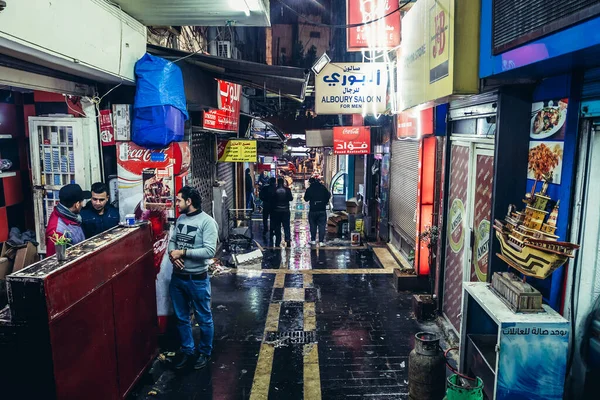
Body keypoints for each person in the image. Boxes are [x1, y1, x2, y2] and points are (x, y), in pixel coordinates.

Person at [168, 186, 218, 371]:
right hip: (178, 278)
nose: (177, 203)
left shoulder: (207, 222)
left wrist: (183, 252)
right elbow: (172, 240)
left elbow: (209, 251)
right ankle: (188, 350)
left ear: (189, 202)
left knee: (204, 318)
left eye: (179, 199)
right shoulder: (181, 218)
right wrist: (172, 255)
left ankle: (205, 352)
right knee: (181, 318)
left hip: (197, 279)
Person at [45, 184, 91, 256]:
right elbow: (56, 261)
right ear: (77, 204)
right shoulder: (57, 232)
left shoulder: (71, 216)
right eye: (82, 202)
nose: (83, 205)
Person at [304, 177, 331, 246]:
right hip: (322, 209)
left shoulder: (309, 189)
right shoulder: (323, 188)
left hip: (313, 210)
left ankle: (313, 240)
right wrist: (325, 202)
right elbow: (328, 195)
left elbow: (306, 199)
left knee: (313, 225)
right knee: (322, 226)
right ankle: (321, 241)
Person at [271, 177, 293, 247]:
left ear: (277, 182)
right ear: (283, 182)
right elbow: (291, 198)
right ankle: (288, 239)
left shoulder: (275, 190)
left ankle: (278, 240)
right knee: (286, 226)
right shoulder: (287, 190)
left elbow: (272, 199)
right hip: (286, 210)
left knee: (277, 226)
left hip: (276, 211)